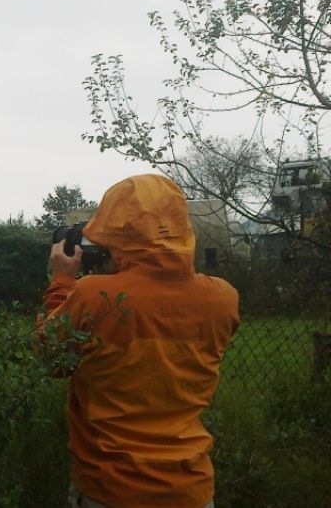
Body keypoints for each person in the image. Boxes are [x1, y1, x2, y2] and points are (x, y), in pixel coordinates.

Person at [38, 174, 239, 508]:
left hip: (111, 488)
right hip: (192, 490)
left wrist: (61, 281)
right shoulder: (223, 298)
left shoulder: (95, 295)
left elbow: (53, 359)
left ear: (117, 231)